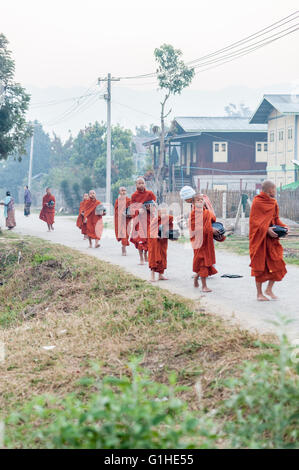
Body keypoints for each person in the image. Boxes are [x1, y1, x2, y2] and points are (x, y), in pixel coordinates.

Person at [249, 180, 288, 301]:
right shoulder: (257, 201)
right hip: (260, 241)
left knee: (278, 264)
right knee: (259, 266)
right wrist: (266, 230)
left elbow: (275, 219)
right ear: (270, 189)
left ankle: (269, 289)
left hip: (271, 241)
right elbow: (254, 221)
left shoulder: (273, 202)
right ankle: (259, 294)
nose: (275, 192)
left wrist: (284, 227)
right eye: (275, 189)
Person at [189, 193, 223, 292]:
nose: (200, 201)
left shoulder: (207, 213)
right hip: (199, 242)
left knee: (206, 262)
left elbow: (213, 222)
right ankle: (204, 286)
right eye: (197, 200)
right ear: (193, 203)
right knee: (202, 262)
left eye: (201, 200)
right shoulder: (193, 214)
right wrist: (210, 230)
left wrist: (217, 230)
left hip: (207, 242)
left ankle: (197, 277)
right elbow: (196, 229)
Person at [130, 177, 156, 265]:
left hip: (149, 219)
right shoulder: (134, 196)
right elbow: (132, 209)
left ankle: (146, 254)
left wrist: (150, 208)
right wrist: (138, 211)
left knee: (149, 238)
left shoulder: (150, 194)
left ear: (145, 184)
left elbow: (154, 205)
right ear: (136, 185)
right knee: (140, 239)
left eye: (142, 183)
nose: (141, 185)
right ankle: (141, 258)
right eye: (139, 183)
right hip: (139, 221)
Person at [148, 208, 174, 282]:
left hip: (163, 242)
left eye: (164, 213)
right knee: (154, 258)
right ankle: (152, 276)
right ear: (158, 213)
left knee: (163, 257)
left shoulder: (167, 220)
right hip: (155, 242)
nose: (163, 215)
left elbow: (170, 229)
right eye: (161, 213)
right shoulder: (155, 220)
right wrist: (155, 235)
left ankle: (160, 275)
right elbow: (151, 231)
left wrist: (172, 236)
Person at [114, 187, 131, 256]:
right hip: (120, 219)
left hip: (127, 219)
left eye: (124, 190)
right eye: (122, 190)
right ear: (119, 192)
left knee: (127, 233)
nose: (123, 192)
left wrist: (130, 214)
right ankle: (124, 248)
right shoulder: (117, 200)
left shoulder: (129, 200)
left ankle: (123, 246)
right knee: (123, 233)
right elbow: (116, 210)